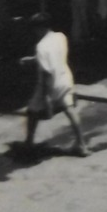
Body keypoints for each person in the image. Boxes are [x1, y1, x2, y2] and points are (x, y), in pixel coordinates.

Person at [21, 17, 89, 158]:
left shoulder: (40, 47)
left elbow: (46, 73)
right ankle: (81, 145)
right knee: (69, 110)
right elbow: (55, 55)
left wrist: (46, 98)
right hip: (64, 78)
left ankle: (29, 143)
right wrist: (33, 60)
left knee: (32, 112)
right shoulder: (60, 36)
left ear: (39, 28)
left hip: (50, 83)